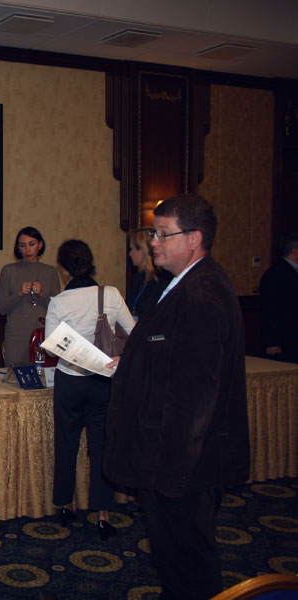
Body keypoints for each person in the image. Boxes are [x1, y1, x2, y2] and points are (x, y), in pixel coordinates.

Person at [105, 195, 250, 600]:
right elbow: (172, 355)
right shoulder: (185, 283)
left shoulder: (202, 294)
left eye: (163, 234)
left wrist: (171, 473)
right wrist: (134, 361)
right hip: (172, 459)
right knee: (174, 558)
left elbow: (194, 394)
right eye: (155, 234)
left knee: (189, 564)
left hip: (180, 464)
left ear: (195, 238)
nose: (154, 242)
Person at [45, 239, 134, 540]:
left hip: (70, 380)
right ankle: (103, 514)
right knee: (102, 446)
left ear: (63, 268)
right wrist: (120, 359)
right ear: (90, 263)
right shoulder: (111, 294)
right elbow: (134, 334)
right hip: (104, 380)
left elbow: (52, 347)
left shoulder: (59, 301)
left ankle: (65, 504)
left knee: (66, 443)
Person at [0, 226, 61, 366]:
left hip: (43, 334)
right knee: (15, 375)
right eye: (22, 245)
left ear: (40, 245)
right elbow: (1, 308)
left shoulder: (50, 272)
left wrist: (42, 294)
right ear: (18, 248)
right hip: (16, 336)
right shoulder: (8, 271)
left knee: (43, 375)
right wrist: (18, 293)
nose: (27, 250)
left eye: (32, 244)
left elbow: (58, 309)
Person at [259, 233, 298, 363]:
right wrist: (271, 342)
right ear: (295, 251)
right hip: (284, 340)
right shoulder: (276, 274)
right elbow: (270, 308)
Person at [126, 227, 172, 321]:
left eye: (132, 249)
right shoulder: (139, 277)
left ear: (143, 251)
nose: (130, 254)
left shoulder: (163, 279)